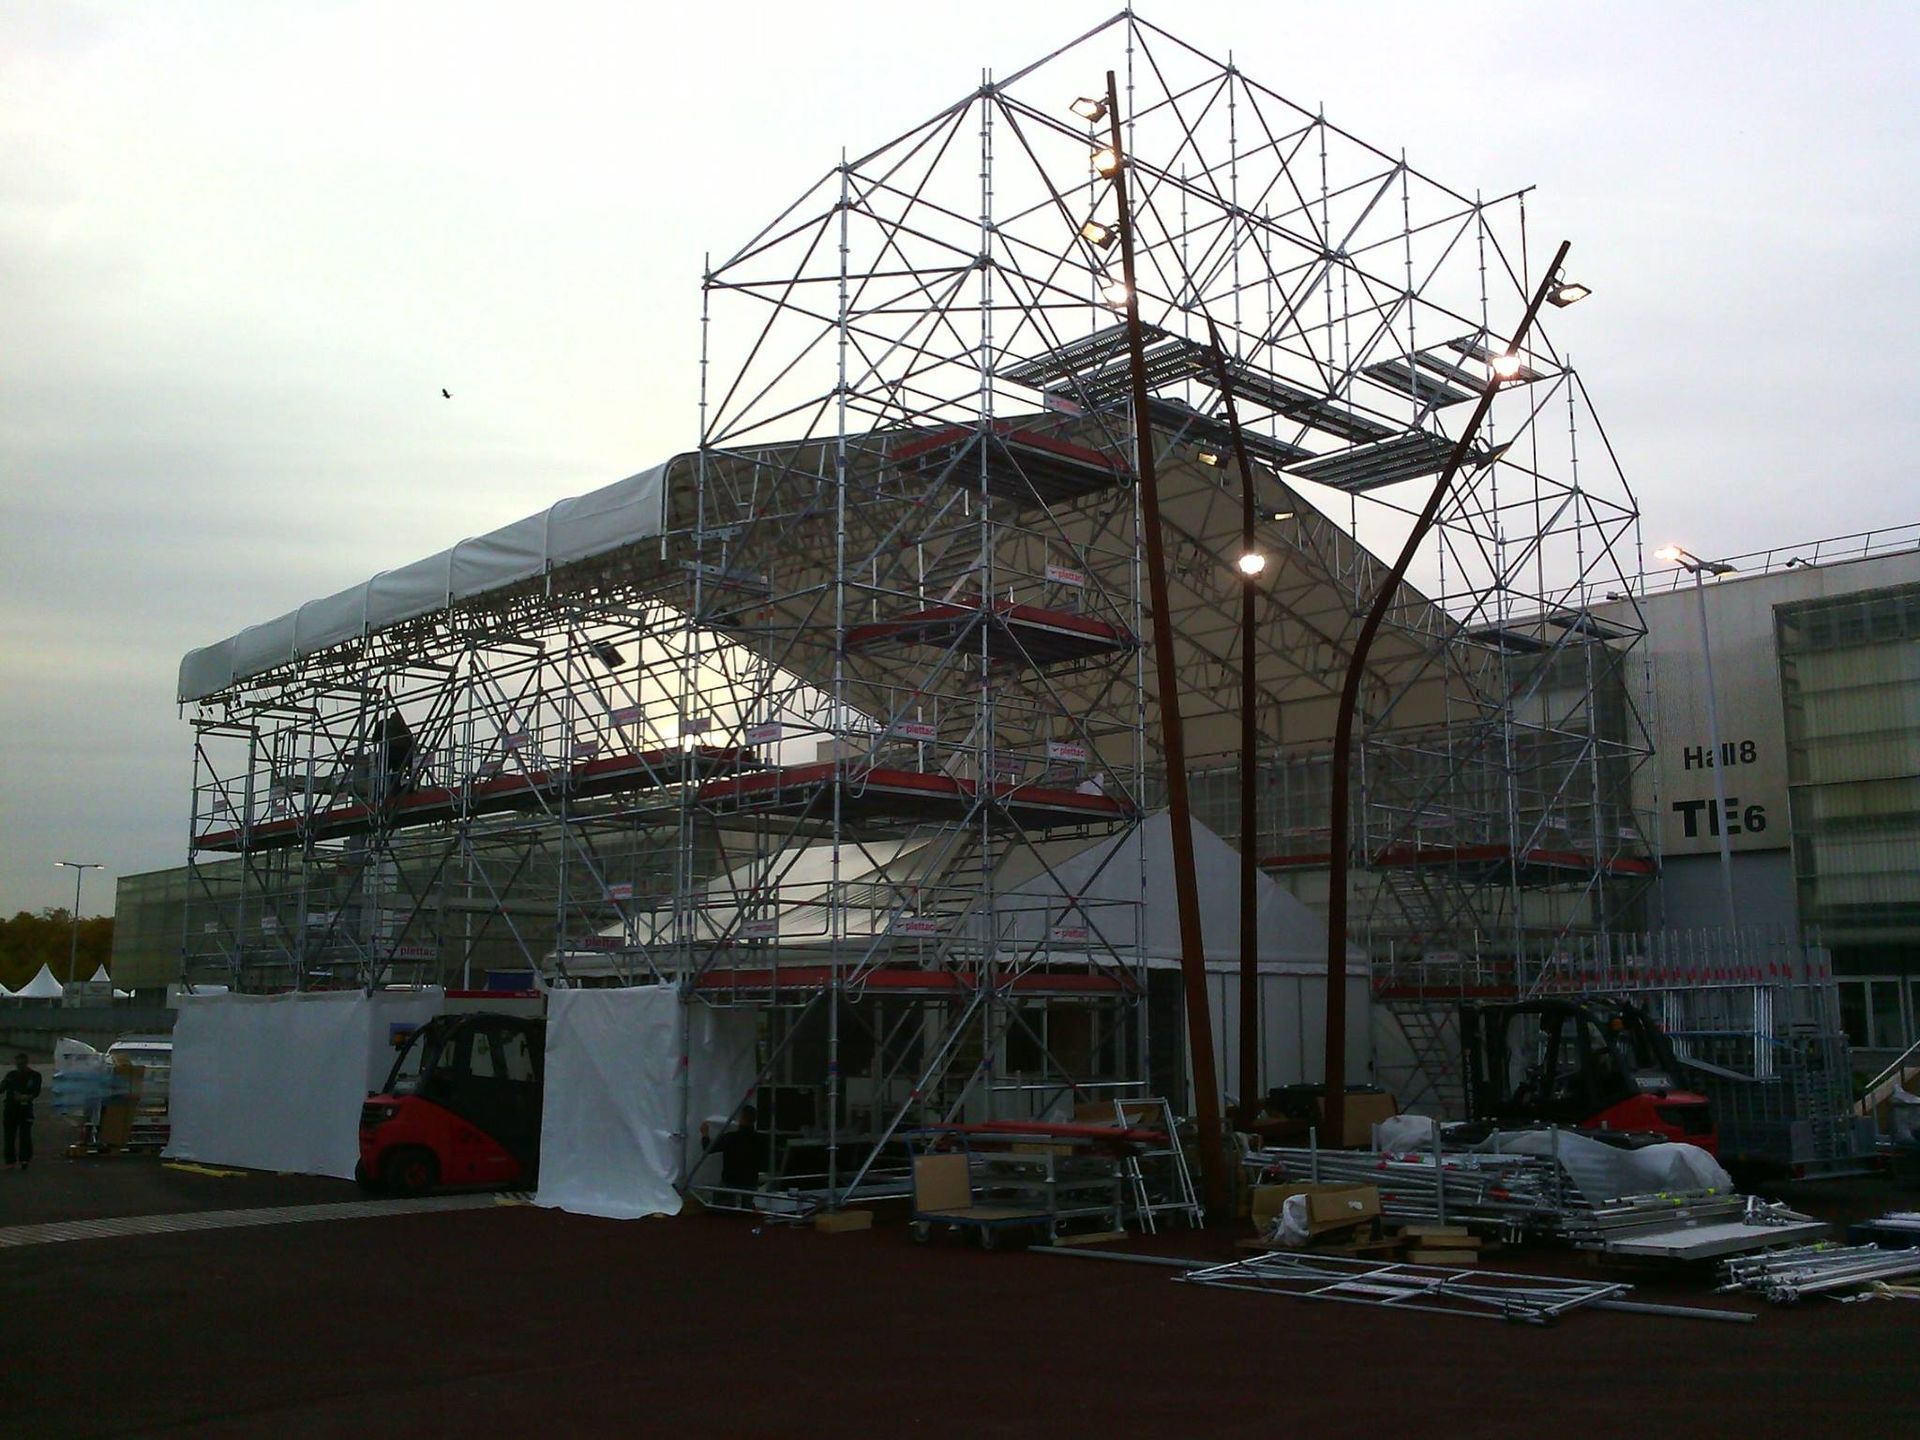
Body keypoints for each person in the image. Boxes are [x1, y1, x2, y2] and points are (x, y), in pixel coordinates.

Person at [699, 1104, 769, 1191]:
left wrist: (705, 1134)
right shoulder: (761, 1140)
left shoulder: (731, 1137)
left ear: (741, 1118)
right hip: (750, 1183)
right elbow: (765, 1162)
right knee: (747, 1203)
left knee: (724, 1203)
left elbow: (708, 1149)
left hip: (730, 1183)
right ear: (755, 1119)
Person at [3, 1052, 43, 1171]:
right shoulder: (11, 1075)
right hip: (11, 1108)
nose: (19, 1066)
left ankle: (24, 1159)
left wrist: (26, 1097)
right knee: (9, 1136)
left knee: (25, 1135)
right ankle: (10, 1161)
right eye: (18, 1064)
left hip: (25, 1108)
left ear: (26, 1063)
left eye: (22, 1064)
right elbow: (2, 1087)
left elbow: (36, 1091)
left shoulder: (35, 1075)